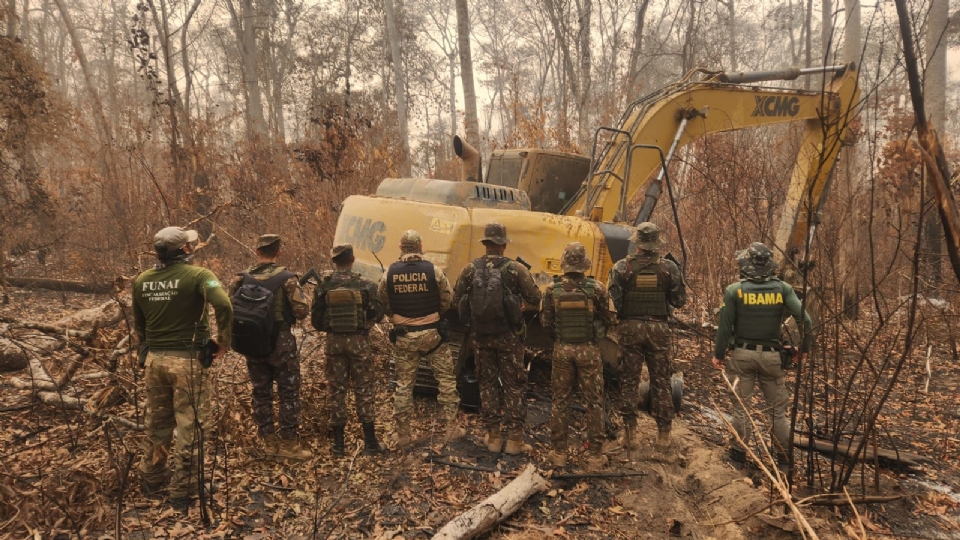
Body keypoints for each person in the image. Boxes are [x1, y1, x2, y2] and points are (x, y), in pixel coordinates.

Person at [134, 226, 232, 506]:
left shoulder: (142, 280)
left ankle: (152, 480)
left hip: (155, 360)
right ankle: (184, 489)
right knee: (192, 425)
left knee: (158, 421)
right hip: (187, 362)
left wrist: (146, 351)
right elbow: (224, 305)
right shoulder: (200, 276)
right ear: (185, 250)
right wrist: (223, 341)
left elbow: (139, 324)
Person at [711, 242, 812, 466]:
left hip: (743, 357)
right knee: (777, 412)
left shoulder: (734, 290)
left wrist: (718, 355)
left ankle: (738, 456)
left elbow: (725, 329)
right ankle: (784, 461)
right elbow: (805, 320)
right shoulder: (783, 289)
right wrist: (804, 348)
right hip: (772, 358)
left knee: (741, 407)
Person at [453, 223, 541, 455]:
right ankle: (514, 441)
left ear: (485, 244)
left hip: (480, 337)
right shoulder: (515, 269)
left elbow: (457, 296)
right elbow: (536, 296)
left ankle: (492, 438)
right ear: (503, 245)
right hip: (509, 338)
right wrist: (518, 304)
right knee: (514, 386)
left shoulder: (470, 268)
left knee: (487, 385)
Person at [228, 234, 311, 460]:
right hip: (281, 343)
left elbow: (229, 308)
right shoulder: (288, 279)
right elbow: (302, 312)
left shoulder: (240, 279)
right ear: (279, 252)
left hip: (252, 344)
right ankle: (289, 446)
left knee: (261, 393)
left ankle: (268, 443)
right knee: (288, 393)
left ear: (257, 251)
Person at [379, 230, 463, 448]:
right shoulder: (433, 271)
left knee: (404, 385)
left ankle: (403, 436)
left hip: (404, 336)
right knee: (446, 380)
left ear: (400, 248)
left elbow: (384, 302)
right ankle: (451, 429)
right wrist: (434, 314)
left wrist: (399, 318)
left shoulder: (388, 273)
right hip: (432, 335)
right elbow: (447, 298)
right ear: (420, 246)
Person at [607, 222, 686, 455]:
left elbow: (614, 303)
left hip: (630, 328)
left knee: (629, 381)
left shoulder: (622, 267)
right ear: (656, 243)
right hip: (659, 329)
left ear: (637, 243)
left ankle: (630, 436)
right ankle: (663, 437)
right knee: (661, 382)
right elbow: (680, 300)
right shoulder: (669, 268)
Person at [541, 242, 617, 471]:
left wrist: (560, 338)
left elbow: (546, 324)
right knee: (594, 402)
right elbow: (608, 318)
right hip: (589, 351)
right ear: (584, 264)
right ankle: (595, 457)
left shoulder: (552, 290)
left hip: (562, 350)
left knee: (560, 401)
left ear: (565, 262)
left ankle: (559, 453)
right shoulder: (598, 289)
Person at [311, 243, 385, 456]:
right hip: (359, 342)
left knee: (337, 391)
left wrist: (332, 326)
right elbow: (378, 314)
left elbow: (316, 321)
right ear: (352, 260)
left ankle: (338, 446)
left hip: (334, 344)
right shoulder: (366, 285)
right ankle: (370, 443)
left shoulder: (324, 287)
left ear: (334, 262)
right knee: (364, 389)